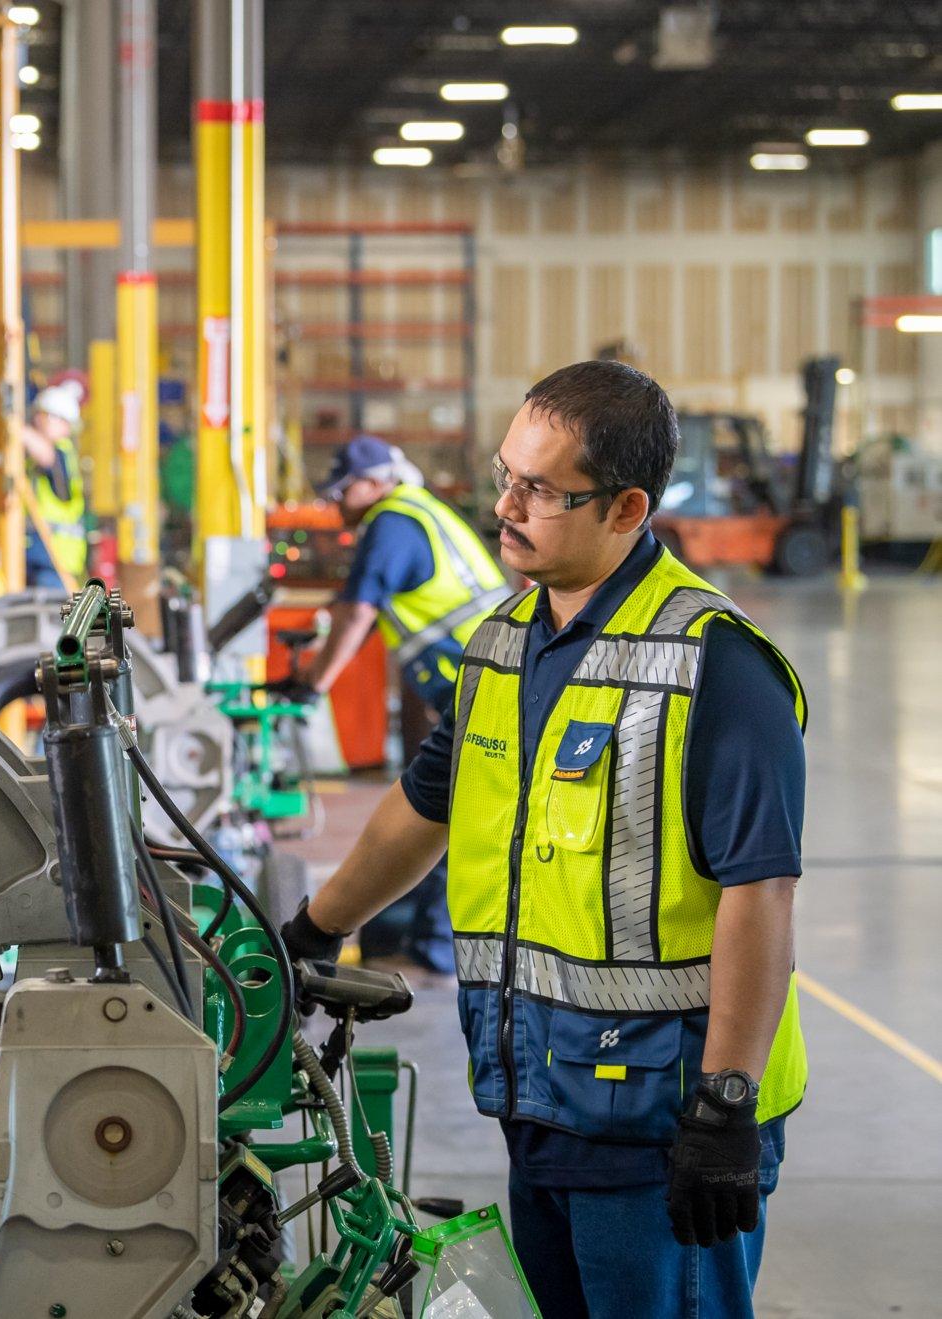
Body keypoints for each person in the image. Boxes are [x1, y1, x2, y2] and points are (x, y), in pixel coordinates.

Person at [281, 361, 807, 1318]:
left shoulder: (716, 665)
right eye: (504, 475)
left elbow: (759, 891)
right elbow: (424, 806)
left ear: (626, 507)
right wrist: (312, 932)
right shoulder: (503, 643)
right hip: (541, 1104)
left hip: (665, 1124)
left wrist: (725, 1100)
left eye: (541, 490)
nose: (506, 507)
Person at [292, 435, 510, 976]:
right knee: (441, 801)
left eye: (342, 491)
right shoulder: (418, 511)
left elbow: (356, 613)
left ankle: (432, 950)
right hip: (484, 670)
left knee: (441, 809)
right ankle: (411, 940)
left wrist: (312, 684)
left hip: (475, 677)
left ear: (373, 483)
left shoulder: (389, 522)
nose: (337, 505)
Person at [21, 384, 88, 589]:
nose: (38, 420)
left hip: (55, 563)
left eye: (46, 416)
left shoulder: (61, 453)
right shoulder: (31, 461)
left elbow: (44, 454)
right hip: (36, 558)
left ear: (65, 424)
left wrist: (14, 425)